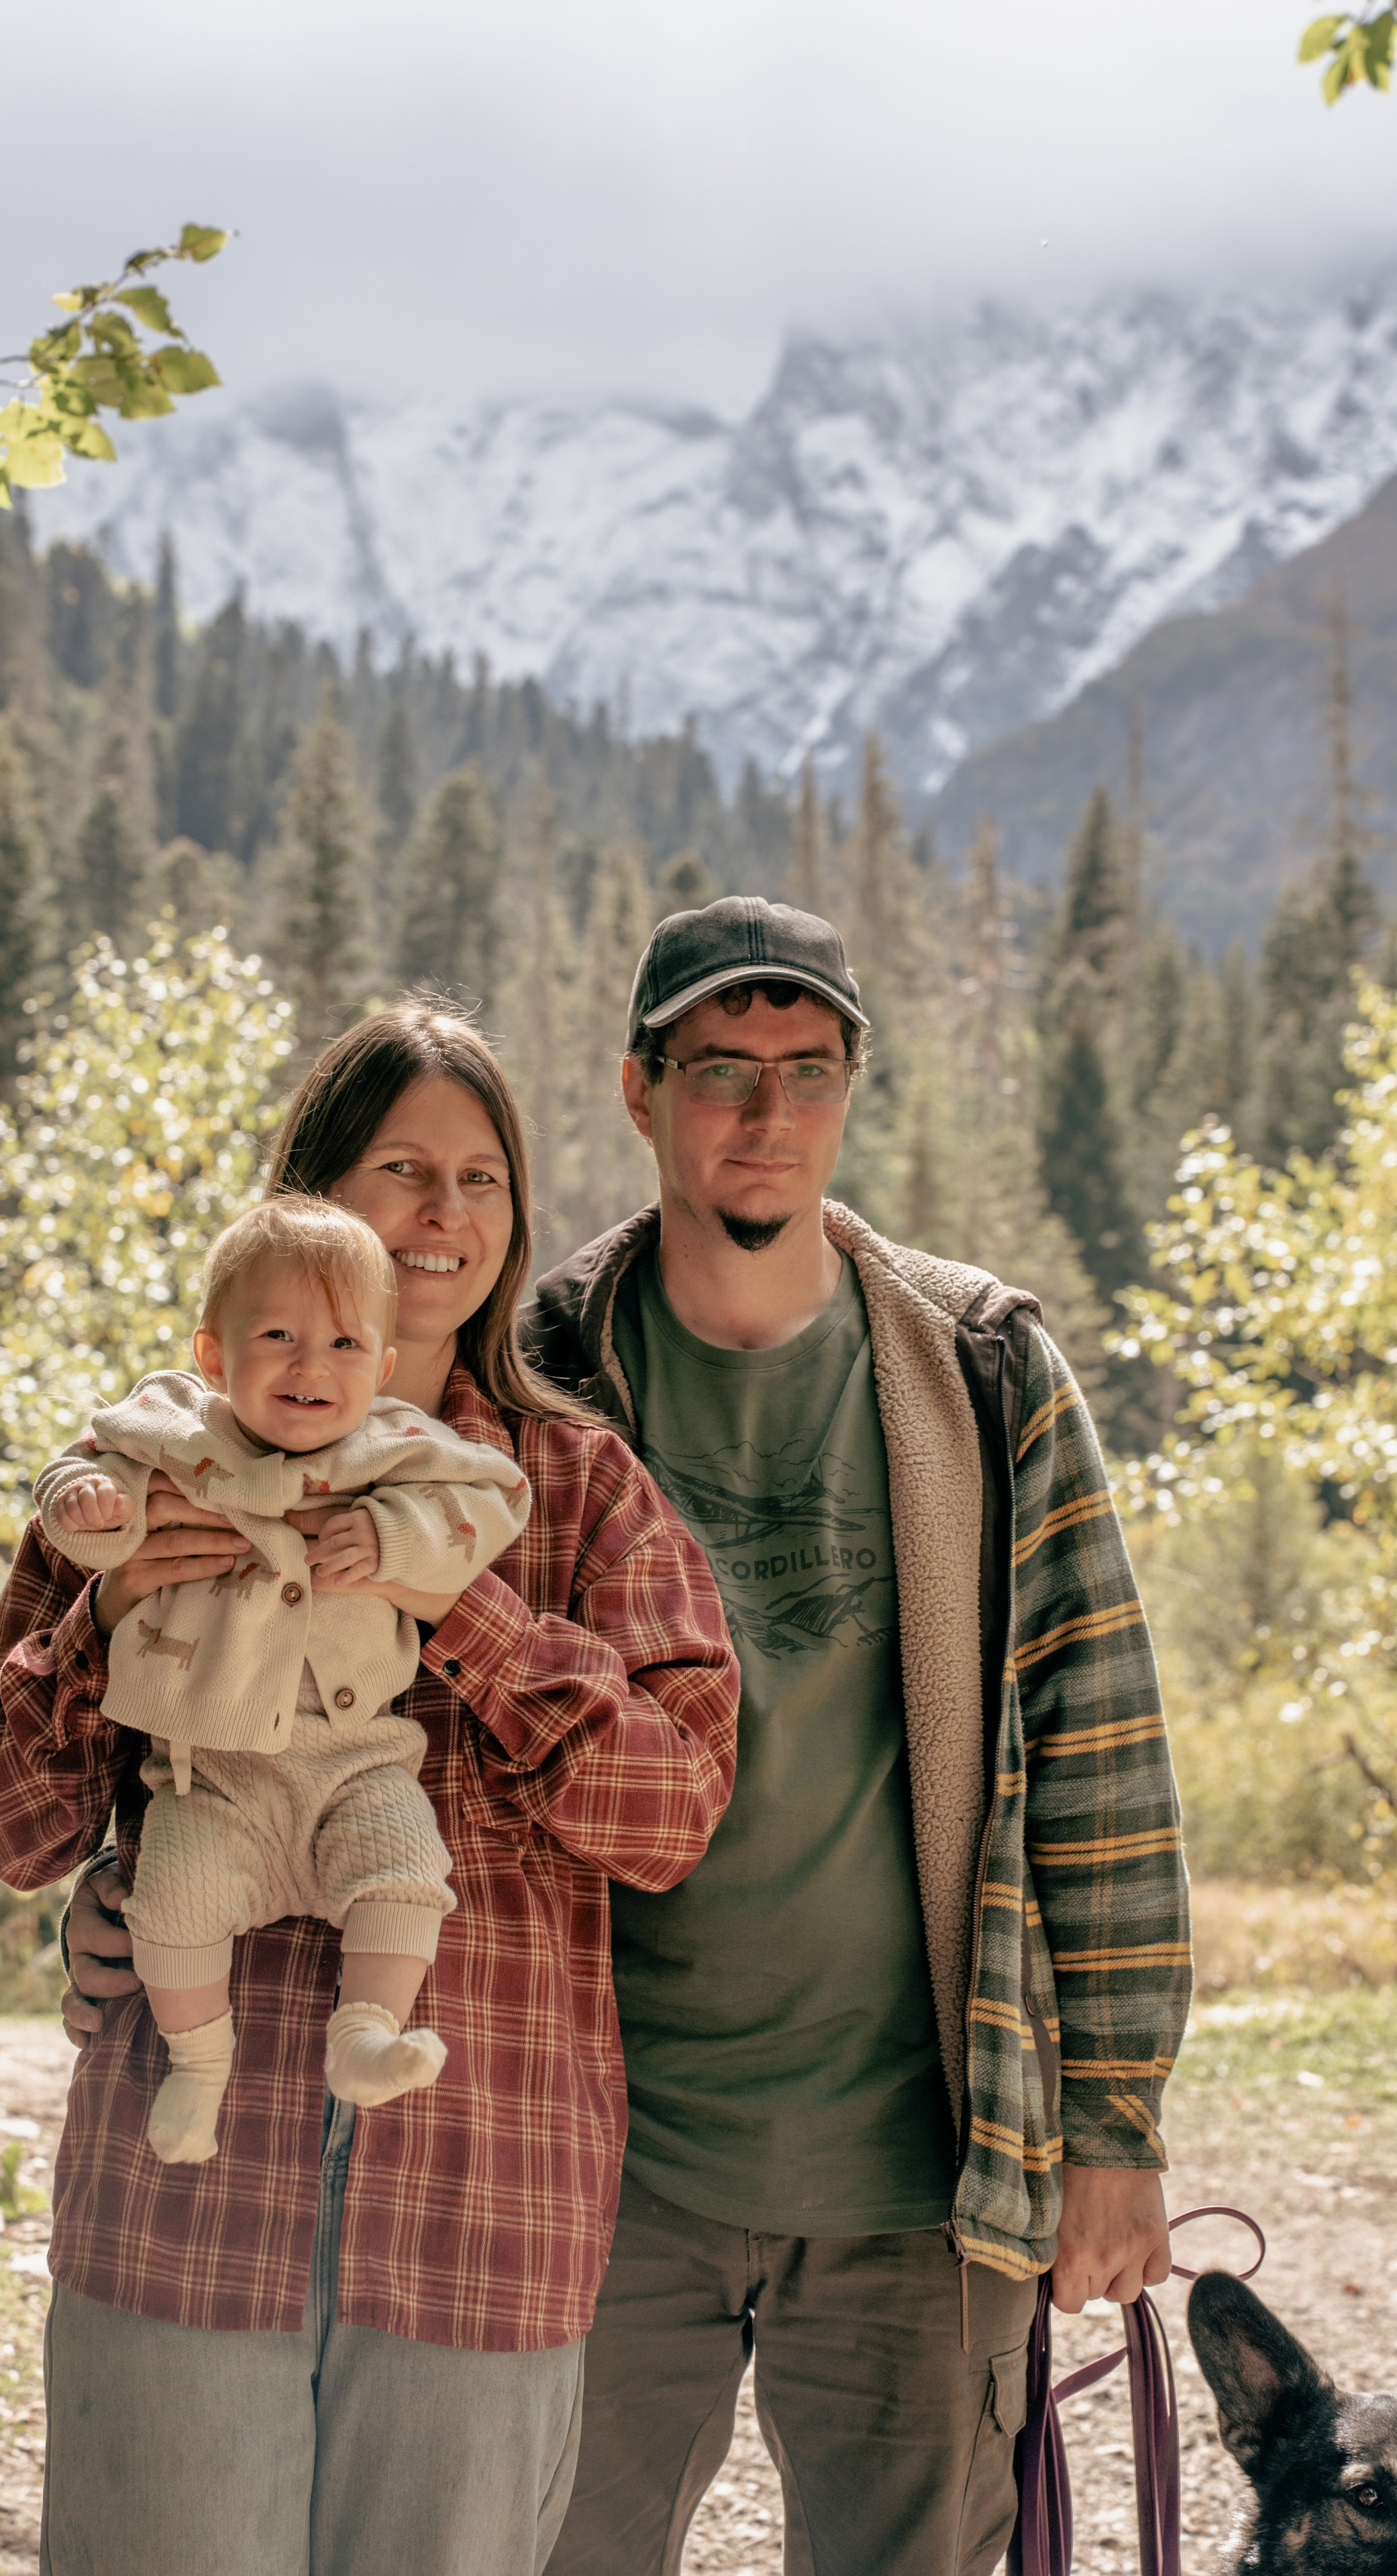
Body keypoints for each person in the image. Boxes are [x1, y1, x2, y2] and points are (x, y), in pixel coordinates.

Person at [0, 1004, 739, 2576]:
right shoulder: (145, 1470)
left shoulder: (575, 1488)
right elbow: (14, 1828)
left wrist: (468, 1609)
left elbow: (669, 1822)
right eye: (402, 1170)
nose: (445, 1217)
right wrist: (97, 1630)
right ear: (309, 1199)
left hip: (482, 2203)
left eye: (482, 1180)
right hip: (185, 2202)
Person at [525, 896, 1192, 2576]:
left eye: (805, 1072)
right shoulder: (546, 1365)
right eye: (721, 1070)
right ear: (637, 1087)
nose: (764, 1115)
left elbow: (1099, 1758)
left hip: (919, 2171)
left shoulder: (977, 1365)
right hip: (608, 2164)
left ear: (848, 1091)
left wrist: (1110, 2125)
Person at [36, 1194, 531, 2161]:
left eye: (347, 1344)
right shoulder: (173, 1427)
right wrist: (90, 1510)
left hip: (356, 1763)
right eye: (278, 1336)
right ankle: (199, 2066)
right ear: (214, 1355)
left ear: (383, 1369)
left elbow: (492, 1504)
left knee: (406, 1874)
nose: (313, 1366)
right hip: (208, 1773)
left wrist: (393, 1538)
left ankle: (364, 2037)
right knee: (170, 1902)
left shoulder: (396, 1447)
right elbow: (80, 1471)